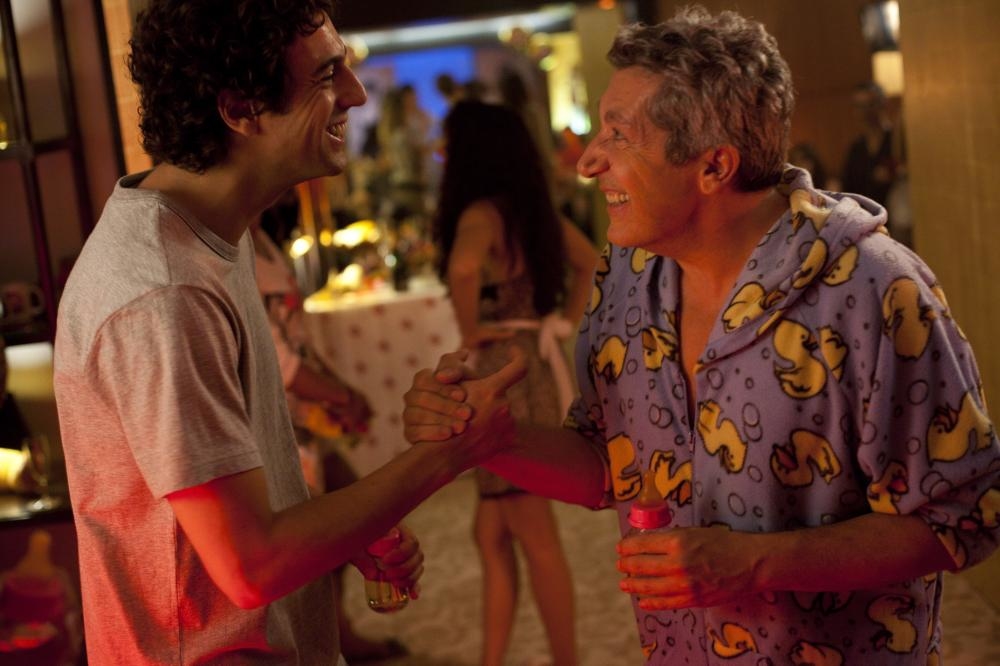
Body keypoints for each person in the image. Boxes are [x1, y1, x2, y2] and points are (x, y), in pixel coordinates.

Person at [402, 6, 1000, 665]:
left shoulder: (872, 289)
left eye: (619, 135)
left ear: (714, 167)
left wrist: (756, 562)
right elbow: (608, 466)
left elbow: (963, 516)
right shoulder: (628, 277)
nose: (589, 161)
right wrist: (494, 439)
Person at [53, 1, 524, 662]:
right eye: (328, 75)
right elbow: (251, 566)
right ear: (240, 107)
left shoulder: (212, 233)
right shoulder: (165, 292)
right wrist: (449, 453)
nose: (356, 95)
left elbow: (241, 498)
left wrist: (344, 529)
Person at [435, 101, 597, 666]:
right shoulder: (530, 211)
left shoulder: (480, 214)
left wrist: (469, 329)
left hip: (500, 372)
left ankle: (565, 662)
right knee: (493, 533)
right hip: (530, 361)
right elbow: (591, 261)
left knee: (533, 532)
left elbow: (462, 267)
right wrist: (563, 320)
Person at [250, 207, 408, 662]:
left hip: (300, 416)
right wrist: (339, 394)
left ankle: (338, 631)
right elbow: (279, 361)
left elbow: (295, 341)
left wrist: (337, 388)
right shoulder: (234, 247)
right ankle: (328, 637)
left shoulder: (261, 241)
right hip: (276, 419)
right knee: (325, 527)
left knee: (345, 515)